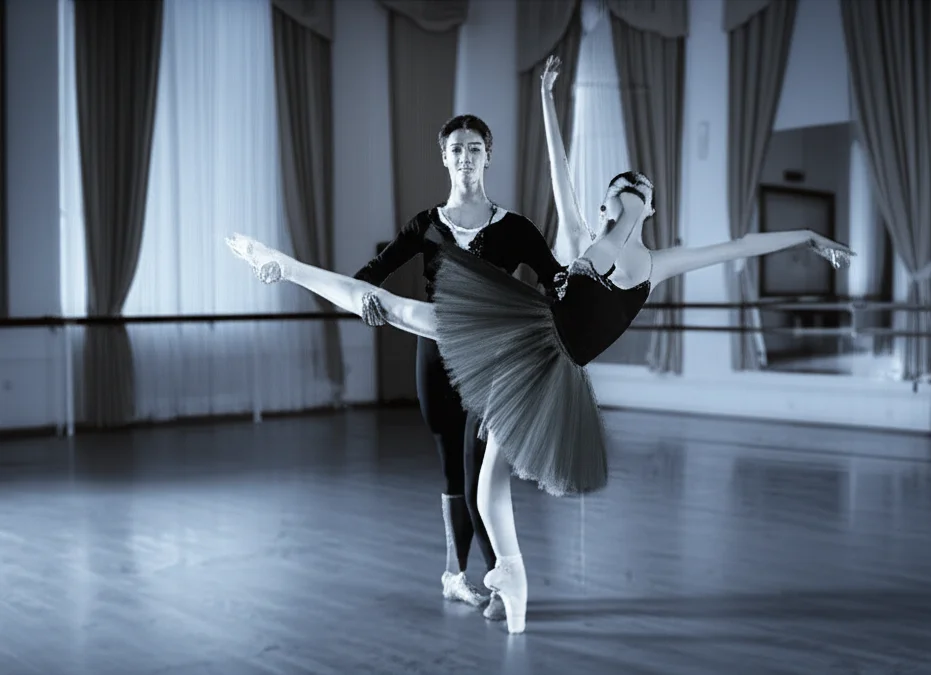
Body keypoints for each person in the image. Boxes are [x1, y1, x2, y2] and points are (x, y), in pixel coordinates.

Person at [225, 57, 853, 634]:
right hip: (521, 336)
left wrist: (806, 236)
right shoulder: (583, 237)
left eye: (642, 187)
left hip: (542, 367)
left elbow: (737, 246)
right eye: (623, 184)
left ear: (651, 209)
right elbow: (558, 166)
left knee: (481, 469)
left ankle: (506, 579)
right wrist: (547, 97)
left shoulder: (657, 262)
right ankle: (513, 588)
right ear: (610, 201)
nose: (634, 187)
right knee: (419, 350)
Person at [350, 114, 564, 621]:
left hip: (491, 363)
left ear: (489, 154)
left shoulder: (515, 228)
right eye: (455, 149)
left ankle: (499, 583)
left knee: (478, 470)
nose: (464, 157)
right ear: (443, 157)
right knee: (451, 467)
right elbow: (369, 274)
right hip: (434, 356)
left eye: (474, 148)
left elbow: (555, 283)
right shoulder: (425, 224)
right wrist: (366, 299)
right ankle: (454, 577)